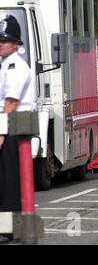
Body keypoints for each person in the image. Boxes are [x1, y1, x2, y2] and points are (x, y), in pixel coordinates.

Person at [0, 15, 36, 242]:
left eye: (4, 41)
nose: (0, 44)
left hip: (12, 129)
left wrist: (1, 132)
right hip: (8, 127)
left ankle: (8, 229)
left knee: (9, 181)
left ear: (15, 44)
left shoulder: (15, 66)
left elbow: (10, 103)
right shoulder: (5, 65)